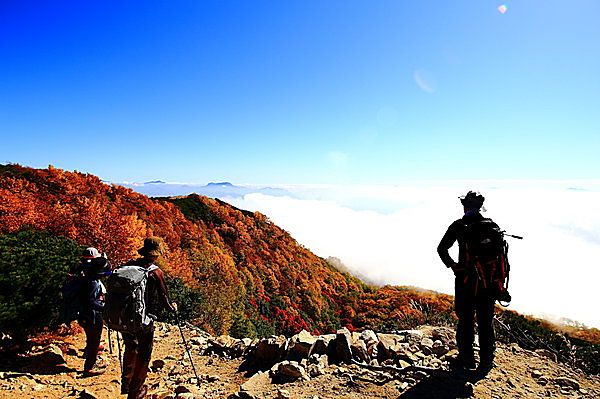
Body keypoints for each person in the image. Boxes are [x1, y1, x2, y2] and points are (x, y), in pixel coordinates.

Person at [437, 191, 496, 373]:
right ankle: (486, 362)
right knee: (486, 321)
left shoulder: (459, 225)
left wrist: (453, 265)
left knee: (466, 320)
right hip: (488, 282)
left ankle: (466, 359)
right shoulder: (492, 226)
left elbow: (441, 248)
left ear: (464, 206)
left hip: (466, 281)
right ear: (480, 207)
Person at [120, 237, 177, 399]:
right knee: (144, 353)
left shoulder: (128, 266)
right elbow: (165, 300)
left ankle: (126, 383)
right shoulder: (155, 272)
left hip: (124, 317)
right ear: (157, 254)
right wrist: (173, 308)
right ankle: (136, 391)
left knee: (130, 347)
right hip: (143, 319)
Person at [78, 247, 111, 377]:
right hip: (92, 316)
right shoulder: (93, 283)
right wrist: (105, 309)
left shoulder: (87, 277)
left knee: (92, 340)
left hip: (85, 315)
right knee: (94, 342)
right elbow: (90, 301)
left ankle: (90, 359)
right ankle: (89, 367)